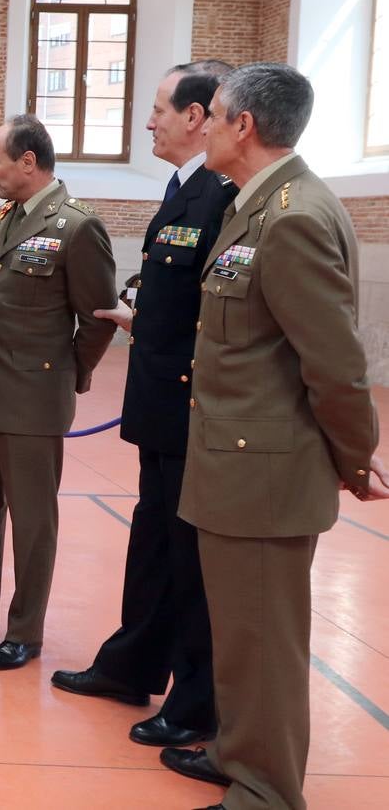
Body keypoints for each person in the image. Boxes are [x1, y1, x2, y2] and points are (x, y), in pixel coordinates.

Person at [158, 62, 389, 810]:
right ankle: (237, 750)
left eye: (215, 115)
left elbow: (334, 361)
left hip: (265, 472)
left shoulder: (291, 216)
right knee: (240, 631)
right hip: (236, 466)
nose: (205, 126)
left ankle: (266, 791)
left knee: (266, 639)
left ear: (243, 127)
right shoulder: (254, 205)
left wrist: (356, 456)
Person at [51, 61, 235, 748]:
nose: (149, 121)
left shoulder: (221, 196)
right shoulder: (182, 188)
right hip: (161, 401)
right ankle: (132, 664)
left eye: (159, 108)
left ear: (197, 115)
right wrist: (143, 321)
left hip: (193, 407)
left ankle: (194, 703)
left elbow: (223, 311)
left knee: (189, 561)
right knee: (155, 543)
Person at [0, 114, 117, 670]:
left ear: (27, 162)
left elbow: (99, 317)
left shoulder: (78, 227)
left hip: (33, 400)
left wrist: (66, 376)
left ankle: (26, 630)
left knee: (33, 521)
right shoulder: (7, 214)